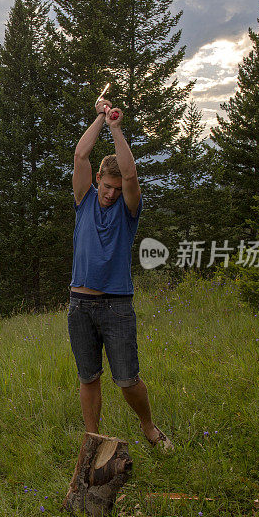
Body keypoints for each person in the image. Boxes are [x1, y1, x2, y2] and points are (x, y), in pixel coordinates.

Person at [68, 95, 173, 450]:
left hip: (116, 305)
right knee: (89, 377)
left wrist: (115, 127)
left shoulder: (128, 210)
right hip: (79, 304)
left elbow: (130, 173)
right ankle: (93, 440)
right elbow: (81, 155)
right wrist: (99, 115)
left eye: (116, 188)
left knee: (127, 380)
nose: (112, 194)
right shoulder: (84, 199)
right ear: (98, 180)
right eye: (107, 186)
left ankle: (148, 427)